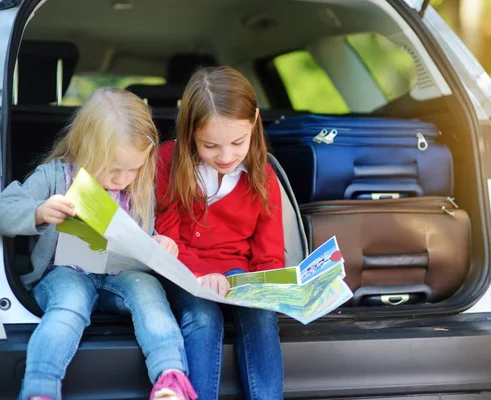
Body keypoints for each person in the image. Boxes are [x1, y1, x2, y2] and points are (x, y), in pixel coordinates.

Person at [0, 88, 197, 400]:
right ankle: (39, 391)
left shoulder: (140, 186)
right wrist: (38, 212)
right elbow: (4, 207)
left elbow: (150, 232)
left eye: (133, 169)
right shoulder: (54, 176)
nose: (122, 178)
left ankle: (171, 379)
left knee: (150, 297)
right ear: (85, 147)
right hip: (66, 272)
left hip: (120, 275)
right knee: (69, 306)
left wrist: (159, 241)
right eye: (113, 168)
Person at [155, 66, 285, 399]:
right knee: (202, 316)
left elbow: (269, 254)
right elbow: (167, 237)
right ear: (190, 133)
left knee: (261, 316)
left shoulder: (264, 176)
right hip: (183, 272)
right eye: (210, 145)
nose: (226, 156)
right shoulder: (169, 162)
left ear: (255, 121)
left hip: (238, 273)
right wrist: (202, 274)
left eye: (238, 142)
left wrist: (272, 290)